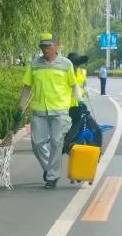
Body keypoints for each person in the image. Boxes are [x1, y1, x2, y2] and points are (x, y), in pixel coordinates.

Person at [15, 33, 85, 189]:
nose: (45, 49)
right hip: (39, 111)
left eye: (48, 46)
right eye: (42, 46)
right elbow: (27, 87)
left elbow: (74, 86)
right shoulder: (34, 64)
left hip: (59, 111)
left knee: (56, 142)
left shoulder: (66, 64)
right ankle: (50, 169)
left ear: (56, 45)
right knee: (37, 144)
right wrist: (20, 108)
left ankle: (52, 177)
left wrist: (81, 102)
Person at [66, 52, 89, 125]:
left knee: (77, 125)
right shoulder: (65, 72)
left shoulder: (82, 72)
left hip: (79, 104)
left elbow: (84, 85)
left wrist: (86, 90)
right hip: (66, 105)